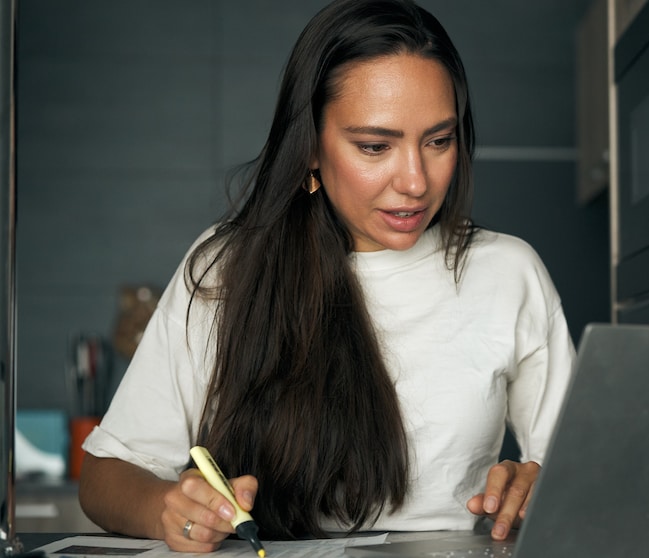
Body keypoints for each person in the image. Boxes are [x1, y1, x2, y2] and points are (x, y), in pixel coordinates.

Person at [77, 0, 575, 553]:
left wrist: (538, 487)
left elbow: (585, 480)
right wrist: (166, 509)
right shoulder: (227, 268)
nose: (415, 181)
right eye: (375, 147)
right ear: (310, 148)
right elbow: (105, 474)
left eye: (439, 140)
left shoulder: (508, 271)